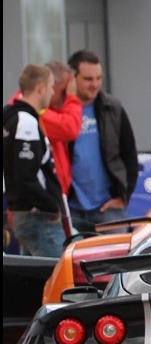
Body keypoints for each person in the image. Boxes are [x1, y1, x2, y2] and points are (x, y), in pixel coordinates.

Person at [66, 50, 139, 232]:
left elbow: (130, 155)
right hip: (71, 209)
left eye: (99, 78)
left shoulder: (112, 108)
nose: (95, 84)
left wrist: (123, 196)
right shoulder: (61, 110)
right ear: (72, 78)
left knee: (116, 252)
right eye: (88, 79)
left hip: (110, 209)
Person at [4, 65, 68, 257]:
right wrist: (51, 206)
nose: (52, 93)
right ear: (40, 87)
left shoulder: (13, 118)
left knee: (31, 273)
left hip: (26, 214)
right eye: (51, 86)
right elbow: (25, 175)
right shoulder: (26, 122)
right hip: (39, 216)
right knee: (56, 272)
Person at [8, 60, 79, 197]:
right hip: (41, 198)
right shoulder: (29, 112)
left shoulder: (37, 108)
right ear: (42, 88)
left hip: (51, 194)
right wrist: (72, 98)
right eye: (62, 91)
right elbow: (69, 128)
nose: (62, 98)